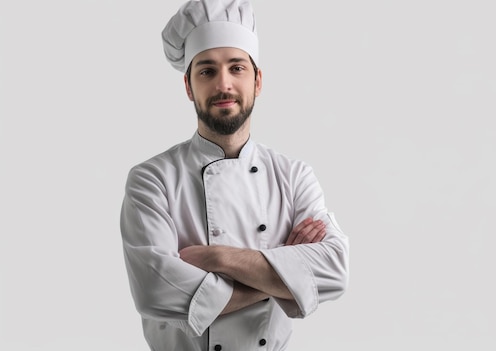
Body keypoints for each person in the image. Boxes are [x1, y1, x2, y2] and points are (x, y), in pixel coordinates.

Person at [119, 0, 349, 350]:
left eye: (236, 68)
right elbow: (156, 293)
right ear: (188, 86)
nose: (223, 84)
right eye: (207, 71)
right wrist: (285, 274)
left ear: (257, 80)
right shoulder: (152, 180)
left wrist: (217, 258)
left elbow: (334, 272)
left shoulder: (294, 175)